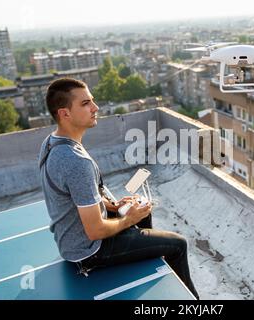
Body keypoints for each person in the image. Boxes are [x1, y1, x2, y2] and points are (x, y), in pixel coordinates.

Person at [38, 78, 199, 299]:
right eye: (86, 103)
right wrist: (127, 220)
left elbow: (77, 194)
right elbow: (95, 231)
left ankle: (151, 279)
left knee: (142, 212)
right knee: (178, 244)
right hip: (88, 251)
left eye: (92, 101)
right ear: (65, 113)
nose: (95, 108)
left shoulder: (51, 142)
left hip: (70, 241)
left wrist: (114, 207)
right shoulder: (75, 161)